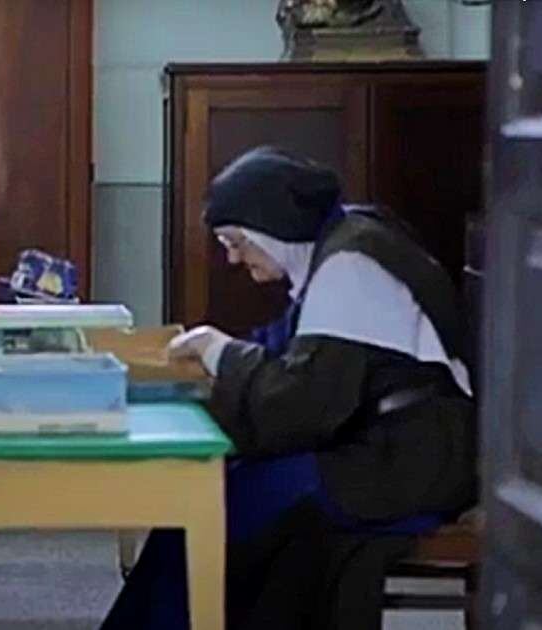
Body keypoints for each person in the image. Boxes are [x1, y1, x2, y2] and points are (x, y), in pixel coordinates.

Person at [101, 146, 477, 629]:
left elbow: (299, 408)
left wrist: (220, 353)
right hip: (387, 444)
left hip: (409, 460)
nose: (233, 257)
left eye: (236, 241)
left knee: (218, 512)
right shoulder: (342, 242)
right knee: (211, 501)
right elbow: (291, 358)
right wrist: (220, 357)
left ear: (272, 228)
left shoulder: (351, 267)